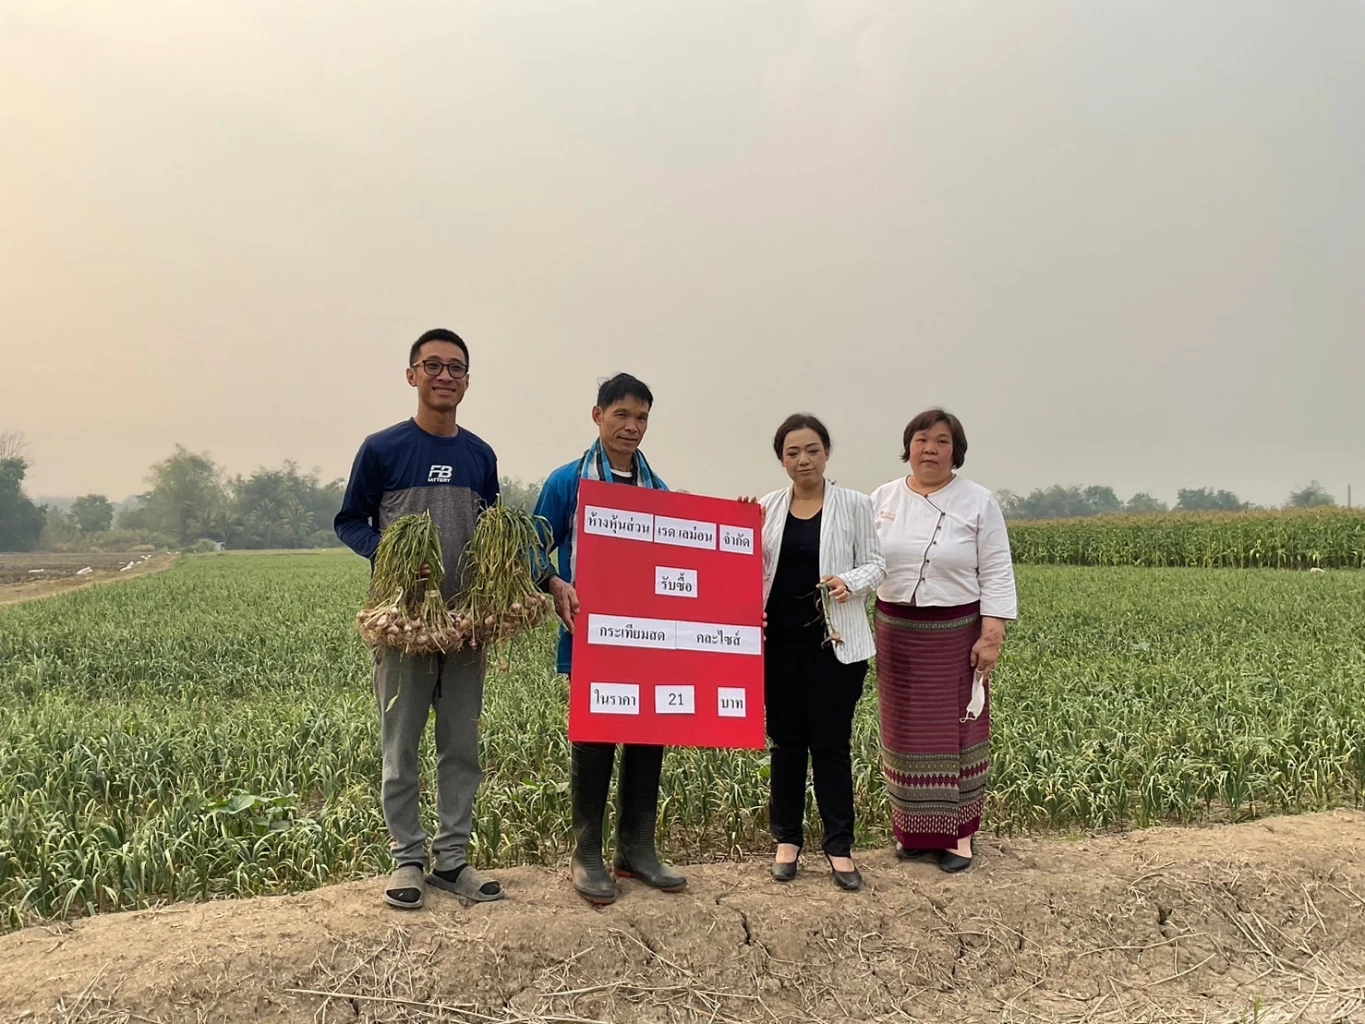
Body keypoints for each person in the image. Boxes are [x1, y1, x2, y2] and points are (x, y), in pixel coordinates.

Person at [334, 327, 574, 909]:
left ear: (468, 381)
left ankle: (452, 860)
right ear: (412, 374)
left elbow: (495, 533)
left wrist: (544, 576)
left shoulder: (479, 455)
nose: (445, 376)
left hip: (468, 621)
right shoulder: (383, 449)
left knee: (461, 744)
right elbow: (350, 521)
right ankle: (407, 860)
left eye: (456, 368)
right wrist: (390, 556)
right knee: (402, 744)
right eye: (433, 365)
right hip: (407, 622)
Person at [532, 373, 687, 906]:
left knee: (648, 736)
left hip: (648, 641)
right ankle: (587, 853)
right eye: (621, 414)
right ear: (597, 415)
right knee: (595, 740)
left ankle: (637, 849)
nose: (631, 426)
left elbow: (683, 556)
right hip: (593, 638)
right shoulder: (567, 482)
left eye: (641, 417)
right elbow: (533, 548)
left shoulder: (657, 488)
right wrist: (554, 582)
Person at [869, 409, 1017, 873]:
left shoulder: (978, 501)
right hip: (897, 631)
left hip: (955, 633)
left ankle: (960, 836)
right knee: (905, 733)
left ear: (957, 451)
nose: (929, 449)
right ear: (908, 447)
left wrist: (991, 634)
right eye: (921, 439)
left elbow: (995, 569)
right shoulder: (882, 497)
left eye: (941, 441)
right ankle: (913, 833)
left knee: (957, 730)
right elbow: (863, 560)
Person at [749, 414, 885, 891]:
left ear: (827, 453)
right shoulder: (765, 507)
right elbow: (746, 567)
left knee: (830, 746)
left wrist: (851, 581)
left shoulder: (854, 504)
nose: (802, 459)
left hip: (836, 647)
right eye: (792, 452)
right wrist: (737, 527)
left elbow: (877, 562)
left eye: (811, 449)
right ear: (781, 460)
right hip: (778, 646)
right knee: (785, 744)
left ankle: (839, 848)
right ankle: (787, 842)